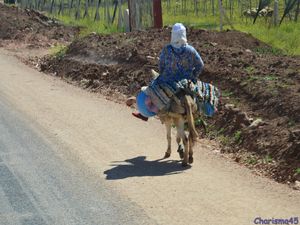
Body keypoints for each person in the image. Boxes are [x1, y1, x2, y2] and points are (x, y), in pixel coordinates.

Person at [132, 23, 204, 121]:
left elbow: (161, 65)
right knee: (202, 96)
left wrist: (162, 73)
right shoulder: (191, 50)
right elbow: (200, 65)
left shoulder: (167, 50)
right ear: (184, 35)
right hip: (186, 82)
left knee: (150, 90)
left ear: (172, 35)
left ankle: (144, 114)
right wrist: (194, 76)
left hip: (168, 80)